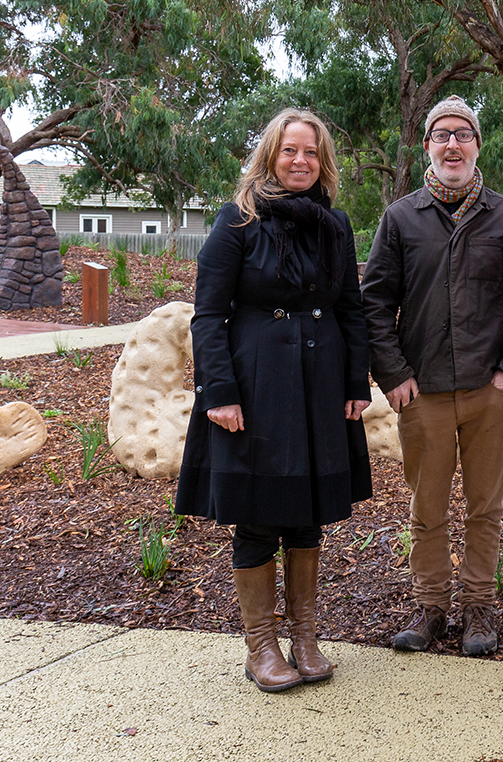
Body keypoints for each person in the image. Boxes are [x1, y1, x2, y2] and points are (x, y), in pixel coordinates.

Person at [176, 108, 373, 693]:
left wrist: (354, 383)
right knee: (259, 515)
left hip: (320, 383)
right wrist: (219, 392)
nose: (300, 161)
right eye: (289, 151)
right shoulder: (236, 222)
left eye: (310, 152)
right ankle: (261, 645)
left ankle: (305, 636)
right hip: (256, 384)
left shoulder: (334, 226)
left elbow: (351, 309)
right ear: (270, 155)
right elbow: (209, 314)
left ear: (323, 161)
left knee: (307, 512)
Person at [361, 96, 503, 657]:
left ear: (477, 144)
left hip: (489, 390)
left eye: (463, 134)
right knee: (427, 507)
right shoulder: (401, 217)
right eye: (441, 134)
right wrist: (393, 373)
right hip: (422, 391)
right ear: (427, 147)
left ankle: (479, 607)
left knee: (486, 506)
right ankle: (431, 606)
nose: (452, 143)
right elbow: (374, 303)